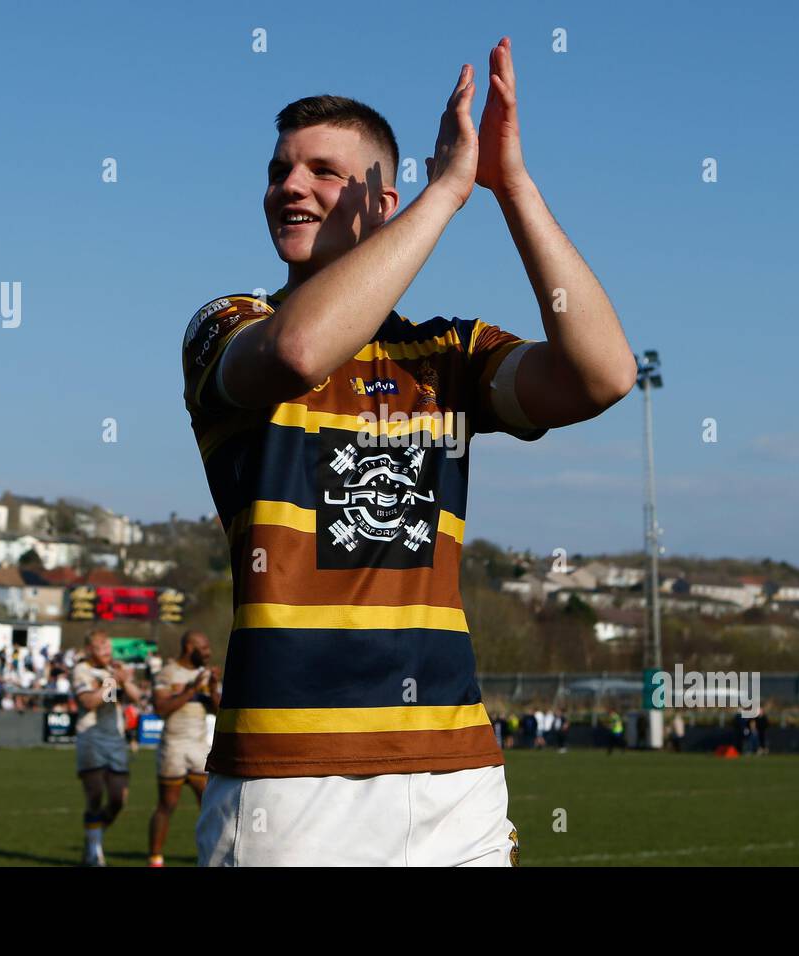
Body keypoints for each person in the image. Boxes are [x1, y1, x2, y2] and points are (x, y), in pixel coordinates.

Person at [183, 39, 634, 867]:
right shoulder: (229, 324)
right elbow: (301, 350)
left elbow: (604, 375)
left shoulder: (446, 353)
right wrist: (449, 193)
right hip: (292, 782)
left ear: (380, 201)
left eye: (322, 171)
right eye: (280, 169)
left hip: (453, 773)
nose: (288, 185)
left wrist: (513, 188)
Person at [147, 630, 221, 868]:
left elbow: (219, 711)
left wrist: (213, 686)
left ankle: (213, 855)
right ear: (190, 648)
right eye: (204, 648)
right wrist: (190, 690)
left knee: (210, 805)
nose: (209, 653)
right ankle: (155, 858)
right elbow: (160, 707)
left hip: (199, 748)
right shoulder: (167, 673)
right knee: (167, 805)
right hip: (174, 746)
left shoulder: (206, 674)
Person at [72, 630, 143, 866]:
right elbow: (89, 702)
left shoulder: (114, 671)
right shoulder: (81, 670)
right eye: (102, 648)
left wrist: (125, 680)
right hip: (91, 737)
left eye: (109, 648)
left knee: (118, 799)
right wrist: (113, 681)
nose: (107, 653)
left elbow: (137, 698)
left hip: (115, 739)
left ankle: (93, 837)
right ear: (90, 650)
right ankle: (94, 853)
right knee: (94, 795)